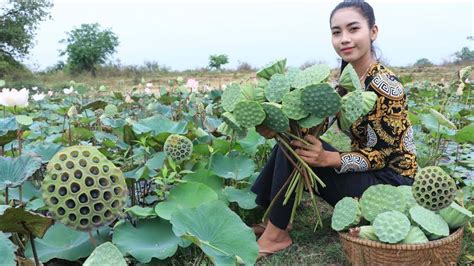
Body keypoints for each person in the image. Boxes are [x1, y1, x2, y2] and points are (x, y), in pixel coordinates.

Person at [251, 0, 418, 259]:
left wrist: (332, 159)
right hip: (368, 177)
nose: (344, 39)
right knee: (294, 142)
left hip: (392, 186)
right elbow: (319, 122)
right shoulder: (347, 78)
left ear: (373, 32)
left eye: (353, 29)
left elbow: (384, 156)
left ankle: (276, 234)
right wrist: (280, 125)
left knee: (299, 149)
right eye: (336, 32)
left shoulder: (386, 86)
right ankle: (276, 219)